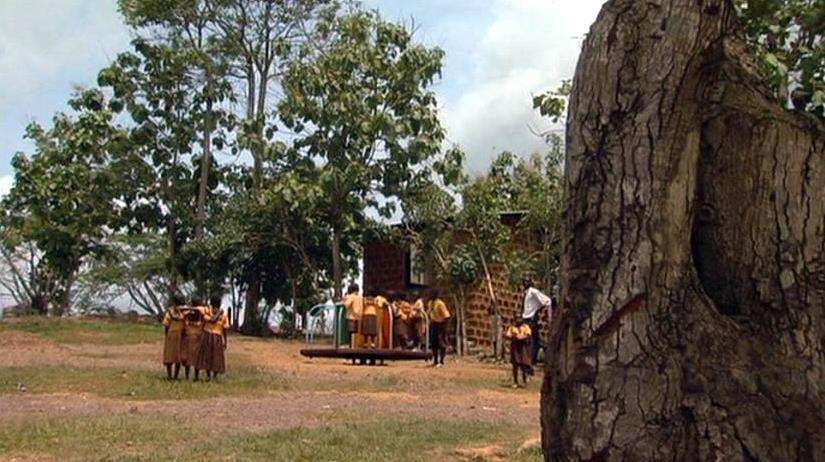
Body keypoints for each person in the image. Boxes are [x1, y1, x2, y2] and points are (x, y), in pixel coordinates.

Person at [521, 277, 552, 373]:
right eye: (524, 282)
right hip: (526, 320)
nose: (524, 283)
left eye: (526, 282)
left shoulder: (533, 292)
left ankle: (530, 363)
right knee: (533, 341)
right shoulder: (525, 293)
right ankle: (530, 363)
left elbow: (547, 301)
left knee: (531, 342)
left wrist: (548, 316)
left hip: (531, 321)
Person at [195, 296, 229, 381]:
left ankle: (213, 376)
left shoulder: (223, 316)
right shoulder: (207, 312)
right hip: (209, 336)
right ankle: (209, 375)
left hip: (214, 336)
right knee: (207, 356)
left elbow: (224, 329)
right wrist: (219, 313)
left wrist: (225, 342)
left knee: (216, 357)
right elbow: (212, 320)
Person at [161, 295, 187, 380]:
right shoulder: (173, 312)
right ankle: (171, 376)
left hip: (174, 335)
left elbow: (166, 325)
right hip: (175, 335)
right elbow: (166, 324)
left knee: (176, 357)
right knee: (171, 356)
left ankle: (173, 376)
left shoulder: (182, 311)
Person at [182, 301, 207, 380]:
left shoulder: (189, 314)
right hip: (194, 338)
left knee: (192, 358)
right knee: (192, 358)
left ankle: (189, 376)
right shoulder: (199, 315)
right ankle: (194, 377)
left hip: (193, 338)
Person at [505, 317, 533, 388]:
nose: (518, 321)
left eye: (519, 319)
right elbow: (508, 335)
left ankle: (524, 380)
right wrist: (514, 336)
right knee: (515, 365)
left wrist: (522, 337)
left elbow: (528, 334)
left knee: (523, 364)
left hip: (523, 348)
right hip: (515, 348)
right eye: (516, 319)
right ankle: (515, 381)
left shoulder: (525, 327)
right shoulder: (512, 327)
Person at [427, 290, 451, 367]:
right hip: (433, 323)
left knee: (441, 342)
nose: (430, 295)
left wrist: (444, 326)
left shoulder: (440, 304)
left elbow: (446, 316)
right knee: (434, 343)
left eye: (431, 294)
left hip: (440, 324)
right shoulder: (430, 303)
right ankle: (435, 361)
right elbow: (430, 312)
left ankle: (441, 361)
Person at [342, 283, 364, 350]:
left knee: (351, 333)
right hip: (360, 316)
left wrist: (344, 300)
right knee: (357, 333)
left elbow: (346, 305)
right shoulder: (361, 297)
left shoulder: (351, 296)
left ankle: (351, 346)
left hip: (351, 317)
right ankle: (356, 346)